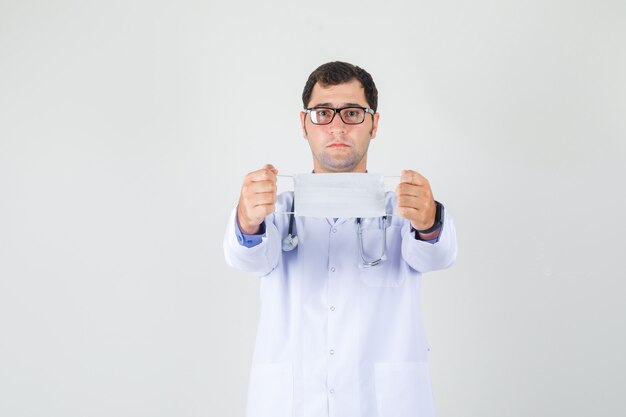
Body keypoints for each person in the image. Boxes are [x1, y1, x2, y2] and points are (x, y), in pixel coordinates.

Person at [223, 61, 458, 417]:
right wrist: (247, 219)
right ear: (304, 124)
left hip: (383, 403)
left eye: (351, 113)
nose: (336, 126)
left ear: (374, 124)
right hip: (293, 403)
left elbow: (438, 256)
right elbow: (247, 258)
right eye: (322, 113)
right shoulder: (274, 211)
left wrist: (429, 222)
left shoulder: (404, 211)